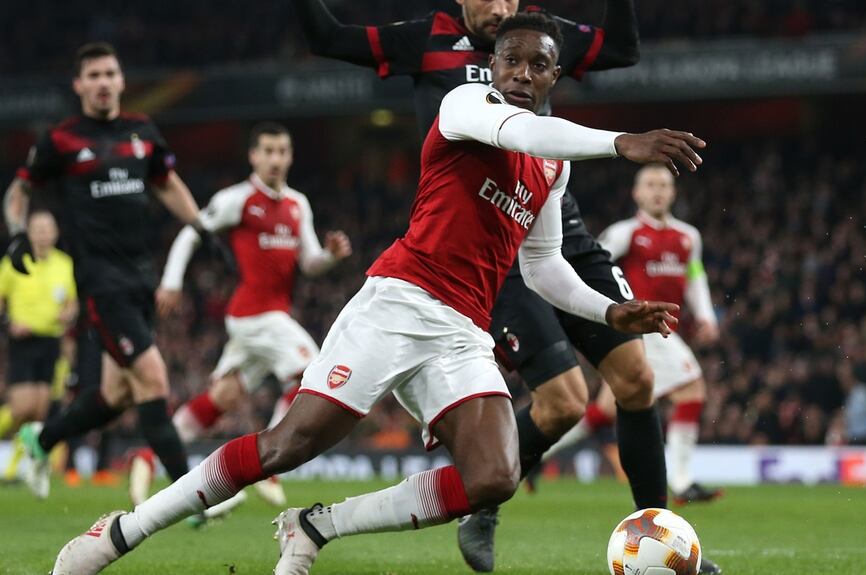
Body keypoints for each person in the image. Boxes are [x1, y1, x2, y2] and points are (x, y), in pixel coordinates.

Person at [49, 14, 703, 574]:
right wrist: (623, 143)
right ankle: (117, 535)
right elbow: (524, 132)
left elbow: (544, 266)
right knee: (289, 444)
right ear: (492, 64)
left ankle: (316, 526)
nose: (523, 74)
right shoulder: (466, 110)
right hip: (398, 301)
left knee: (494, 475)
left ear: (556, 78)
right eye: (511, 60)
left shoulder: (554, 165)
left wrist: (608, 308)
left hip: (463, 331)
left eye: (539, 65)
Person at [292, 2, 720, 571]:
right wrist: (620, 141)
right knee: (565, 402)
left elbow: (621, 51)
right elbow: (327, 35)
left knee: (638, 379)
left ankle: (662, 544)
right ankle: (484, 497)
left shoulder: (544, 33)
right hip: (492, 246)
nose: (499, 8)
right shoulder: (424, 40)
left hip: (558, 228)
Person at [3, 42, 231, 500]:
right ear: (79, 84)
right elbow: (19, 192)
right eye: (94, 75)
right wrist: (15, 232)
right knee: (153, 379)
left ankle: (41, 439)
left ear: (122, 80)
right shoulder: (61, 139)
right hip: (100, 281)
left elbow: (167, 184)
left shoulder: (143, 131)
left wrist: (202, 230)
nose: (103, 82)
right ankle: (190, 498)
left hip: (140, 278)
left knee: (116, 396)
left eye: (110, 73)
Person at [128, 121, 353, 512]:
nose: (275, 159)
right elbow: (191, 232)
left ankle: (150, 456)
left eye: (282, 152)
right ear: (253, 156)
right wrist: (172, 281)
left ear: (290, 156)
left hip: (268, 315)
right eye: (267, 151)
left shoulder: (298, 204)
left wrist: (330, 256)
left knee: (224, 396)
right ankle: (272, 463)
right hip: (253, 313)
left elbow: (310, 262)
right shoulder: (238, 199)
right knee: (312, 370)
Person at [546, 165, 723, 504]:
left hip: (665, 329)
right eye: (650, 185)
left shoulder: (688, 237)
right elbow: (591, 266)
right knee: (692, 388)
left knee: (606, 409)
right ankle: (683, 482)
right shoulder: (626, 233)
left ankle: (534, 453)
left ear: (673, 193)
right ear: (637, 193)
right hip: (641, 327)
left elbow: (695, 276)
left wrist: (706, 315)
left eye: (664, 185)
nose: (657, 191)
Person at [0, 211, 77, 479]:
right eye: (38, 229)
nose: (43, 234)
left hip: (51, 341)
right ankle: (14, 467)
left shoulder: (65, 264)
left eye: (48, 228)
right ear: (29, 233)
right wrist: (8, 321)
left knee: (39, 412)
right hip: (22, 342)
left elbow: (73, 303)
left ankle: (12, 470)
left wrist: (68, 313)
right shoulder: (13, 263)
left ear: (55, 233)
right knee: (22, 408)